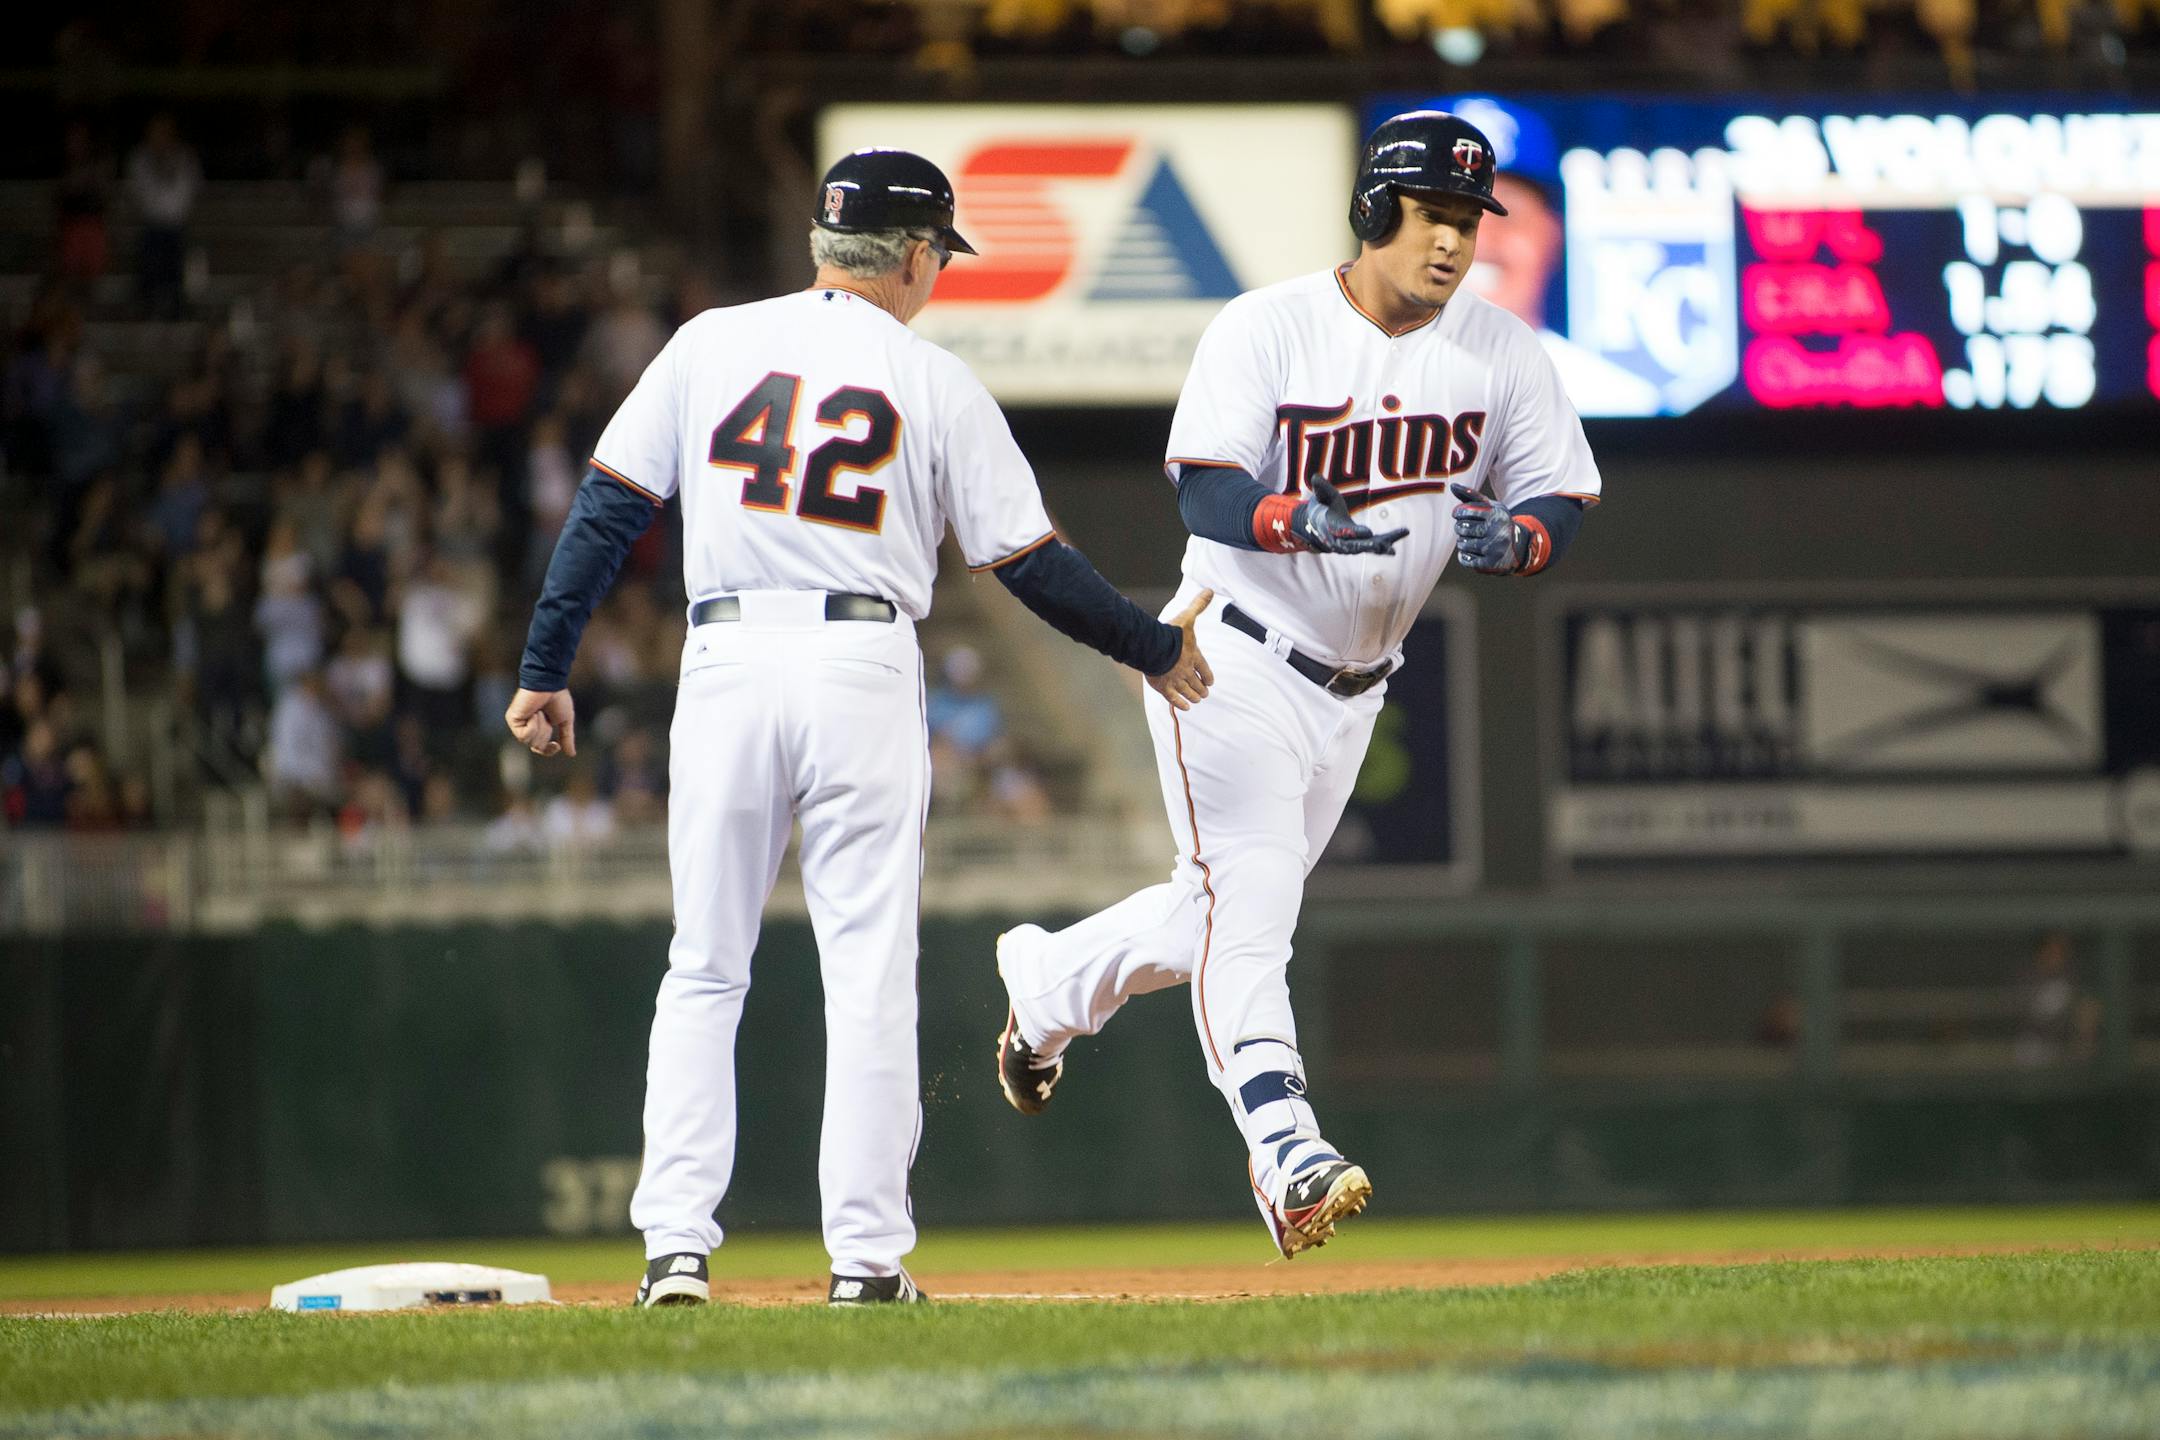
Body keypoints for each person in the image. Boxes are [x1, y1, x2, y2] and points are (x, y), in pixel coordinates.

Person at [503, 148, 1212, 1309]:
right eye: (940, 254)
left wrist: (545, 666)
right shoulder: (929, 376)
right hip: (858, 658)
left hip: (725, 655)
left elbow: (606, 510)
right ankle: (867, 1264)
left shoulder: (710, 342)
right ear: (919, 255)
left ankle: (674, 1252)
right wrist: (1153, 646)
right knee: (870, 976)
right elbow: (1029, 565)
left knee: (704, 966)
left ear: (826, 241)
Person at [991, 111, 1605, 1260]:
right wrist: (1287, 517)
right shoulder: (1268, 326)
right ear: (1374, 211)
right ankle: (1288, 1153)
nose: (1453, 243)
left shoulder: (1500, 350)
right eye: (1431, 215)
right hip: (1229, 662)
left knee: (1215, 908)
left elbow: (1564, 497)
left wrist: (1523, 541)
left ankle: (1050, 983)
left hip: (1358, 690)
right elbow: (1204, 490)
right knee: (1253, 918)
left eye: (1469, 221)